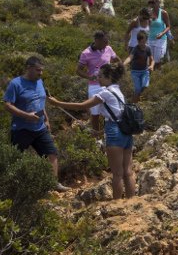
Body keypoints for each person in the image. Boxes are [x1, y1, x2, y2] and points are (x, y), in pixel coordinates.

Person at [48, 63, 136, 200]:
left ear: (109, 77)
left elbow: (82, 106)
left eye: (100, 76)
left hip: (114, 132)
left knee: (117, 173)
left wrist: (58, 103)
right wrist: (101, 131)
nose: (97, 78)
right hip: (126, 132)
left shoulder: (105, 93)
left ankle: (118, 204)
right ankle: (132, 202)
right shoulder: (119, 91)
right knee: (128, 172)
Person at [3, 56, 68, 192]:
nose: (41, 73)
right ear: (29, 68)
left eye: (42, 70)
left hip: (40, 128)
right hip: (21, 129)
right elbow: (7, 105)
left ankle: (53, 184)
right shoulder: (16, 84)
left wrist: (46, 119)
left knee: (52, 154)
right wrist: (26, 115)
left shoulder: (39, 82)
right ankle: (13, 188)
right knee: (15, 158)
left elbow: (40, 101)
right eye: (38, 70)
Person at [77, 31, 119, 132]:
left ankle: (109, 132)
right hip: (94, 87)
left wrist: (116, 70)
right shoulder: (86, 53)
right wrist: (90, 77)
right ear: (97, 40)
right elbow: (78, 70)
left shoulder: (108, 49)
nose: (106, 43)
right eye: (104, 41)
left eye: (107, 41)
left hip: (108, 85)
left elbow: (117, 59)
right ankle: (97, 136)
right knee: (95, 113)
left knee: (110, 110)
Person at [124, 31, 153, 102]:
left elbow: (152, 59)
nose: (143, 44)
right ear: (138, 41)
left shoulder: (148, 48)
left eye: (144, 41)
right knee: (137, 89)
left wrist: (152, 65)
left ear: (146, 40)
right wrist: (123, 64)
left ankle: (141, 102)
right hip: (135, 72)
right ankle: (134, 104)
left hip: (144, 71)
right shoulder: (136, 49)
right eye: (141, 42)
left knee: (145, 87)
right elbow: (130, 58)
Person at [147, 0, 170, 68]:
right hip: (150, 39)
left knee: (157, 61)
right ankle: (151, 77)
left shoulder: (163, 13)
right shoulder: (148, 13)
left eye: (153, 2)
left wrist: (162, 34)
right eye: (150, 2)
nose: (152, 4)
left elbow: (168, 26)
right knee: (150, 61)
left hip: (160, 40)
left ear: (159, 2)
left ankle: (158, 76)